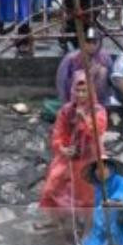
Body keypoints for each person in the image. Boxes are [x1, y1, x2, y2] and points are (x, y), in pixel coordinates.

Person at [39, 69, 108, 218]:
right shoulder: (66, 110)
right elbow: (58, 133)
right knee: (52, 186)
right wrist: (62, 148)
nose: (80, 95)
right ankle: (54, 221)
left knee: (88, 197)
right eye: (77, 90)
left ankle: (89, 229)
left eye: (84, 91)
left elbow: (98, 131)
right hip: (69, 156)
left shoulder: (98, 110)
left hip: (90, 157)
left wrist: (84, 118)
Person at [55, 26, 114, 105]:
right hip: (75, 95)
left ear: (99, 43)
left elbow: (112, 79)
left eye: (94, 42)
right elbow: (61, 81)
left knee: (103, 72)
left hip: (97, 99)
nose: (91, 46)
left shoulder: (105, 58)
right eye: (88, 42)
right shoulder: (71, 58)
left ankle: (100, 105)